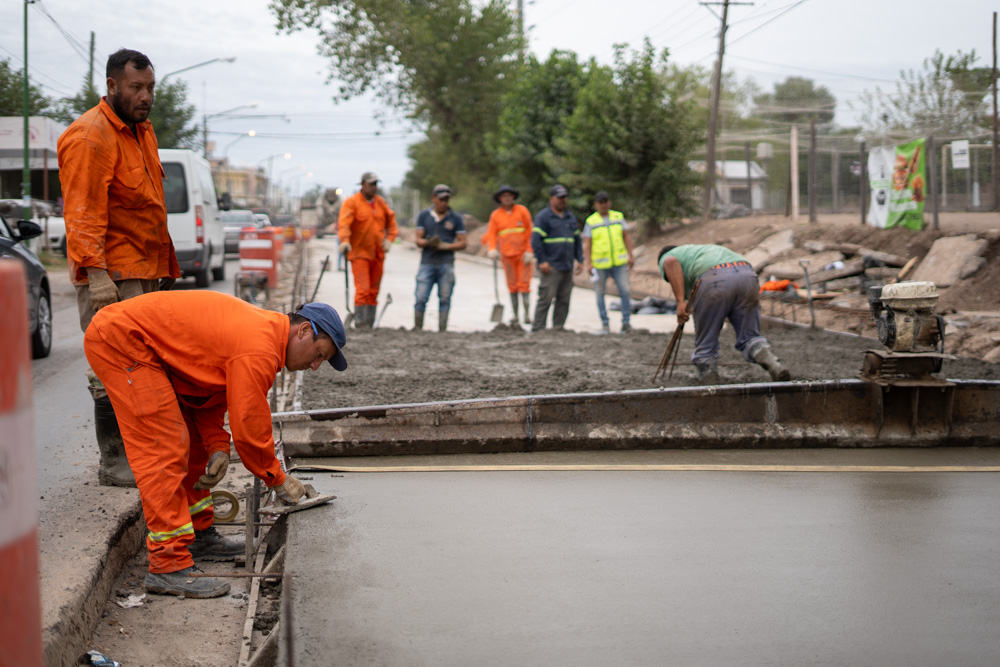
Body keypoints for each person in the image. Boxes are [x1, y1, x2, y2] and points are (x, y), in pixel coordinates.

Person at [83, 290, 347, 598]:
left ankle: (197, 534)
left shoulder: (263, 337)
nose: (315, 366)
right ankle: (167, 564)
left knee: (193, 444)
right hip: (122, 340)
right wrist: (278, 478)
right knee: (164, 446)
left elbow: (206, 394)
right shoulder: (259, 348)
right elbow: (249, 428)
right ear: (304, 331)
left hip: (140, 343)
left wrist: (217, 446)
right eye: (319, 355)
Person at [57, 48, 180, 487]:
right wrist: (96, 275)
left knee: (145, 367)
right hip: (112, 275)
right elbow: (83, 211)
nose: (146, 96)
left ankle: (141, 454)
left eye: (150, 87)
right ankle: (115, 461)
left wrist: (164, 265)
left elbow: (148, 205)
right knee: (112, 367)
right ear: (111, 86)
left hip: (142, 269)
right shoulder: (91, 136)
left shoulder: (139, 130)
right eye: (136, 88)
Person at [658, 244, 791, 384]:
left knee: (706, 339)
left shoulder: (667, 257)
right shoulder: (699, 252)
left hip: (714, 279)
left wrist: (680, 302)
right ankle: (765, 354)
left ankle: (708, 372)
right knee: (750, 335)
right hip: (747, 275)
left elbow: (670, 263)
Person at [338, 172, 398, 328]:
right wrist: (345, 241)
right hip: (360, 253)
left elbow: (391, 223)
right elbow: (344, 224)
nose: (373, 187)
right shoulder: (352, 202)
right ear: (362, 185)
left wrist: (389, 240)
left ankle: (369, 324)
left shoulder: (380, 203)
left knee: (373, 291)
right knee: (363, 290)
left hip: (378, 254)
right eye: (370, 184)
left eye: (375, 184)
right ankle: (361, 323)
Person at [413, 184, 468, 331]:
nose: (444, 202)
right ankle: (418, 329)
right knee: (421, 298)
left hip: (446, 263)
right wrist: (429, 242)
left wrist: (446, 246)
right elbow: (418, 240)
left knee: (445, 298)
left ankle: (442, 330)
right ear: (434, 199)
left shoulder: (455, 218)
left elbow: (463, 242)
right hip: (427, 262)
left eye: (446, 199)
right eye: (441, 199)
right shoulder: (424, 216)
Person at [530, 184, 583, 331]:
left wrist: (580, 259)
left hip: (567, 265)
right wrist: (542, 261)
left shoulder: (570, 217)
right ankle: (538, 328)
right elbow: (536, 241)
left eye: (564, 197)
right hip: (551, 266)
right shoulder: (543, 217)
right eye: (559, 198)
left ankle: (558, 328)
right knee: (546, 298)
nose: (562, 200)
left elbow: (577, 240)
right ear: (551, 199)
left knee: (564, 300)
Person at [582, 191, 634, 333]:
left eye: (606, 201)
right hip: (600, 265)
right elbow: (588, 243)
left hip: (619, 263)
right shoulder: (591, 221)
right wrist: (589, 263)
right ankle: (605, 323)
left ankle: (626, 322)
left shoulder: (618, 217)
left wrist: (631, 255)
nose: (604, 205)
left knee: (625, 291)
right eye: (601, 202)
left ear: (609, 202)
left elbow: (626, 237)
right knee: (600, 293)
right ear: (596, 204)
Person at [482, 184, 534, 326]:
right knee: (512, 286)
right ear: (500, 198)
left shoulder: (522, 211)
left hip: (523, 256)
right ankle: (515, 315)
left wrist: (530, 250)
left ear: (513, 197)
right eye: (504, 196)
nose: (507, 198)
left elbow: (530, 231)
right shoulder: (496, 215)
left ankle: (527, 315)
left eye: (509, 195)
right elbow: (491, 233)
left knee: (524, 285)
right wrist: (492, 248)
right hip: (507, 256)